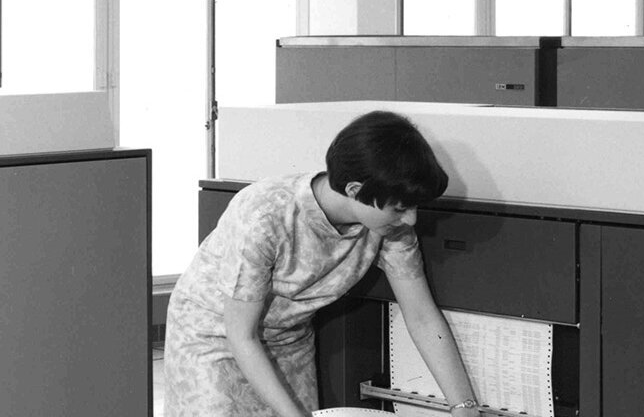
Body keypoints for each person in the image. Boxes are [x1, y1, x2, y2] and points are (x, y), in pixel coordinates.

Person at [162, 111, 480, 417]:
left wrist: (463, 407)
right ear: (356, 190)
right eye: (399, 208)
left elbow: (422, 318)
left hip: (288, 341)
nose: (410, 219)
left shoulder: (391, 231)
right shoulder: (265, 214)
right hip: (214, 336)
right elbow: (241, 335)